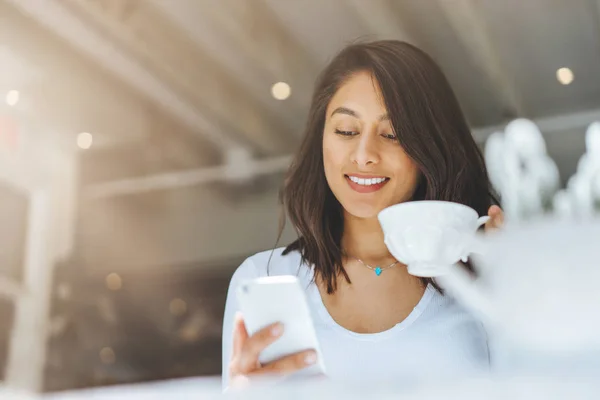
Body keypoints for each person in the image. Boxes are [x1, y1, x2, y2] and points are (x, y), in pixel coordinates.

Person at [221, 40, 504, 390]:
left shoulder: (483, 275)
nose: (365, 154)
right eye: (346, 131)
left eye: (392, 134)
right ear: (320, 139)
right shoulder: (263, 277)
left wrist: (516, 279)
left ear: (431, 147)